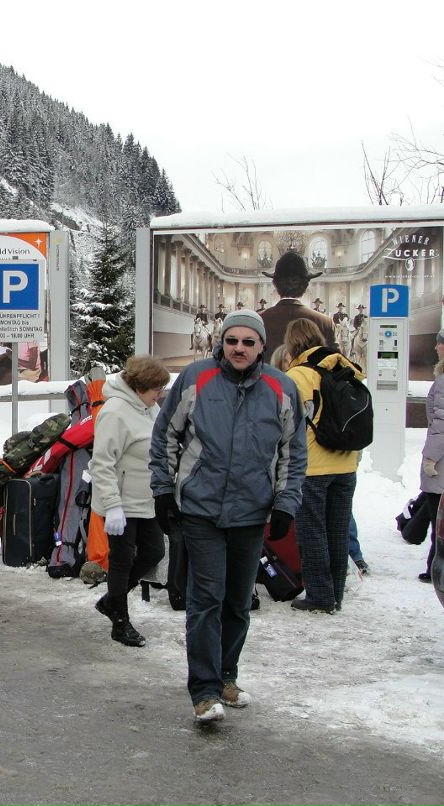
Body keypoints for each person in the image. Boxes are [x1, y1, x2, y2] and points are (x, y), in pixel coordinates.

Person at [150, 309, 306, 723]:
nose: (239, 348)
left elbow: (293, 453)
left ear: (261, 347)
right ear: (221, 342)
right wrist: (164, 491)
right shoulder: (196, 378)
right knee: (206, 599)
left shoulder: (282, 388)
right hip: (200, 510)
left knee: (238, 602)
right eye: (232, 340)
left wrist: (286, 504)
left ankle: (225, 677)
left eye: (248, 342)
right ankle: (203, 690)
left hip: (251, 514)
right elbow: (165, 435)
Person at [284, 319, 362, 614]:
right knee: (338, 530)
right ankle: (336, 595)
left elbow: (291, 420)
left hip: (313, 466)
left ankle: (319, 596)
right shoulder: (346, 368)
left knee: (312, 532)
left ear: (293, 343)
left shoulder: (298, 375)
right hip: (346, 462)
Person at [90, 355, 169, 647]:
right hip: (121, 503)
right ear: (139, 387)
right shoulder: (115, 412)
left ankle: (112, 599)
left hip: (145, 499)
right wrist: (112, 506)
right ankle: (120, 623)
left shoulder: (148, 408)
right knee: (121, 561)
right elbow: (102, 463)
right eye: (156, 390)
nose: (159, 395)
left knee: (154, 552)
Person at [260, 252, 336, 352]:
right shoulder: (325, 322)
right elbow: (335, 362)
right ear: (305, 286)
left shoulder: (259, 319)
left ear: (275, 284)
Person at [417, 328, 444, 583]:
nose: (436, 348)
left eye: (439, 343)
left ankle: (435, 570)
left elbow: (440, 425)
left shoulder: (443, 381)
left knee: (439, 522)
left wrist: (430, 459)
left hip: (442, 465)